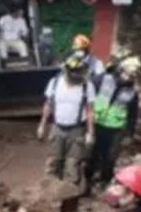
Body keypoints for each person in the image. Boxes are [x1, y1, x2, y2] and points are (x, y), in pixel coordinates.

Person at [38, 53, 97, 184]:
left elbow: (90, 111)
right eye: (74, 72)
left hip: (76, 130)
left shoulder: (87, 86)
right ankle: (49, 193)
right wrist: (42, 125)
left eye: (79, 72)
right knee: (54, 161)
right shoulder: (55, 83)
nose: (77, 75)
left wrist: (90, 133)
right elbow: (48, 104)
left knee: (73, 163)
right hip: (57, 127)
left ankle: (69, 196)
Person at [85, 56, 141, 187]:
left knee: (110, 157)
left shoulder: (132, 92)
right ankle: (87, 181)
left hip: (115, 128)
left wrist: (129, 133)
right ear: (122, 70)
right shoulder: (103, 79)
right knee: (91, 155)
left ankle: (104, 181)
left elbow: (133, 115)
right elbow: (88, 97)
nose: (131, 77)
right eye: (130, 73)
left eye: (134, 75)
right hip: (97, 123)